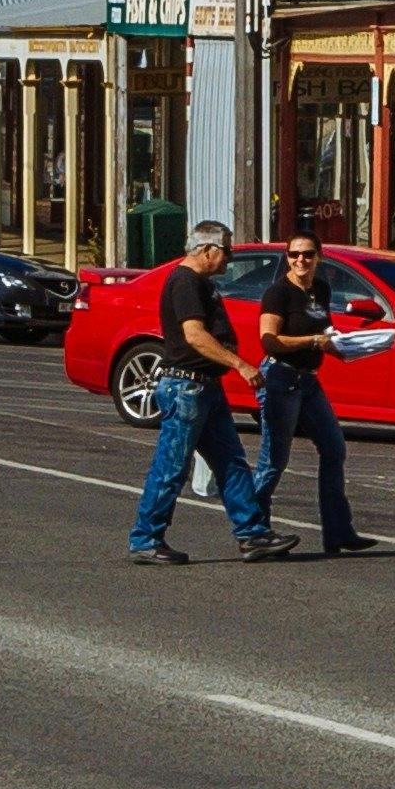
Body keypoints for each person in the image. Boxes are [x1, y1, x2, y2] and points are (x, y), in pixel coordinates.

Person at [129, 223, 288, 563]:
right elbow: (194, 336)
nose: (229, 258)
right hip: (186, 387)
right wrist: (240, 365)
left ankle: (253, 534)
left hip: (204, 387)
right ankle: (146, 538)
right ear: (207, 249)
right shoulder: (185, 281)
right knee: (171, 466)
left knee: (231, 463)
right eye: (226, 250)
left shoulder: (201, 283)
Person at [250, 231, 373, 556]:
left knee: (334, 448)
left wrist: (350, 347)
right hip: (280, 378)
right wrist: (311, 342)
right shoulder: (278, 294)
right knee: (273, 460)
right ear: (287, 258)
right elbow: (269, 340)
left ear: (319, 256)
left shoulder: (320, 289)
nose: (300, 260)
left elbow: (324, 333)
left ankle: (338, 532)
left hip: (308, 381)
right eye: (294, 255)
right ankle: (253, 530)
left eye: (307, 254)